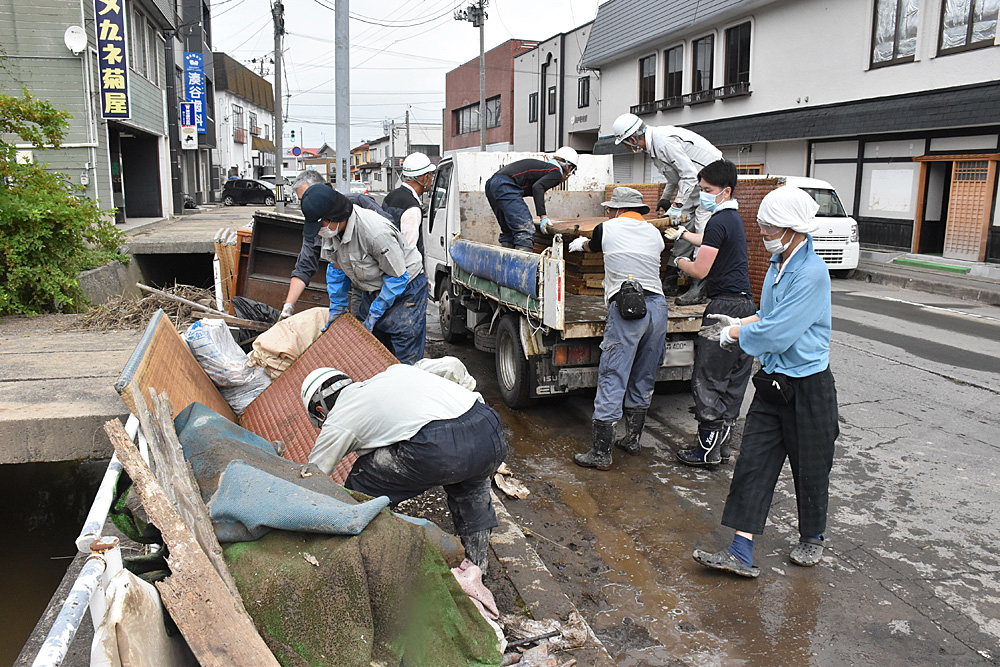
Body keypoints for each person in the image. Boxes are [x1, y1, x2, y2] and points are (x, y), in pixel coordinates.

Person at [692, 185, 839, 578]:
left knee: (810, 466)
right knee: (753, 464)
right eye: (762, 226)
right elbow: (767, 316)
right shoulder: (779, 266)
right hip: (774, 382)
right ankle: (740, 551)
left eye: (770, 227)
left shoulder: (811, 273)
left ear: (793, 229)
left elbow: (779, 333)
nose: (763, 233)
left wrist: (737, 335)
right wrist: (740, 322)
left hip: (808, 387)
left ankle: (812, 537)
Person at [301, 364, 509, 570]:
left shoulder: (340, 416)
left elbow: (313, 475)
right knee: (471, 491)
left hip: (440, 448)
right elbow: (451, 364)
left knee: (362, 479)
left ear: (320, 411)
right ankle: (477, 569)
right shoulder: (395, 372)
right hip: (489, 430)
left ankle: (367, 556)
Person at [569, 187, 670, 470]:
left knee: (614, 374)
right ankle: (633, 439)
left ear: (614, 209)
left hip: (628, 307)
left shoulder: (606, 228)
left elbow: (594, 246)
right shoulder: (654, 233)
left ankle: (601, 453)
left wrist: (581, 244)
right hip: (658, 309)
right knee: (644, 373)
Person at [664, 160, 756, 467]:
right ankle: (722, 447)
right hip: (744, 307)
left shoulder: (718, 221)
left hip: (723, 309)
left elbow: (702, 268)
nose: (703, 194)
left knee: (708, 377)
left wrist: (678, 263)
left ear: (725, 190)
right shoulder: (731, 218)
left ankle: (704, 450)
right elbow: (709, 242)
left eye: (707, 190)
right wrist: (684, 235)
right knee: (732, 380)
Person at [300, 185, 428, 364]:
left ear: (335, 216)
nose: (320, 231)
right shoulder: (332, 231)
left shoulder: (375, 232)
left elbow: (398, 277)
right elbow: (337, 270)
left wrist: (375, 312)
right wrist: (337, 308)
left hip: (407, 290)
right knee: (373, 351)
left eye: (320, 224)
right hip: (374, 288)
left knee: (405, 355)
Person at [612, 113, 722, 305]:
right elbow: (674, 178)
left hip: (712, 182)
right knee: (682, 228)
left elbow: (688, 174)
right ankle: (671, 277)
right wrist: (665, 200)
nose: (628, 147)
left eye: (625, 144)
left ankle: (698, 287)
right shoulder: (654, 148)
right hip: (694, 183)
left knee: (703, 228)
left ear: (632, 138)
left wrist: (677, 205)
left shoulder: (664, 142)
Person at [279, 171, 393, 321]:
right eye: (302, 200)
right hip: (361, 286)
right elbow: (304, 266)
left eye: (310, 197)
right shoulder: (315, 225)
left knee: (391, 327)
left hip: (388, 279)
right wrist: (288, 306)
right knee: (363, 329)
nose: (307, 204)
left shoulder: (358, 203)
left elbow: (392, 238)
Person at [484, 146, 578, 251]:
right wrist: (543, 217)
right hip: (505, 185)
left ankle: (505, 265)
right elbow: (538, 188)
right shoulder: (556, 172)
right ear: (569, 168)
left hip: (492, 184)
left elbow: (536, 188)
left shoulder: (545, 168)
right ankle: (521, 266)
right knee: (525, 230)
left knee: (509, 231)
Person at [380, 152, 436, 257]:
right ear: (425, 178)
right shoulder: (412, 208)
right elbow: (409, 251)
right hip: (406, 270)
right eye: (431, 175)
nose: (431, 179)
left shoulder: (390, 196)